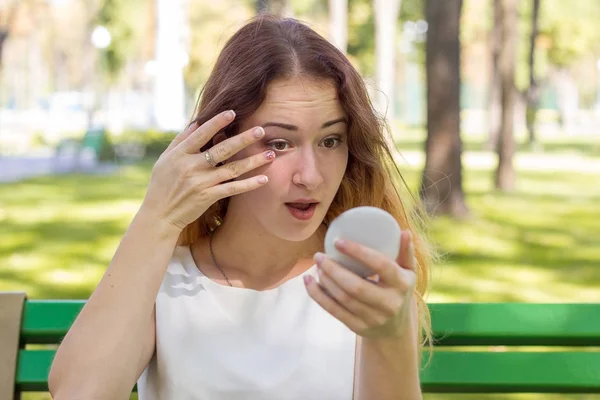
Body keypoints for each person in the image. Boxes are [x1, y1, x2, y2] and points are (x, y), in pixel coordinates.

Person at [48, 14, 434, 400]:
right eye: (280, 143)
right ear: (221, 144)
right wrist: (158, 217)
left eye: (330, 141)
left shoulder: (363, 283)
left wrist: (392, 332)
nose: (311, 176)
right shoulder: (163, 280)